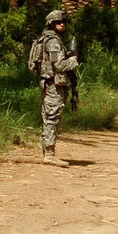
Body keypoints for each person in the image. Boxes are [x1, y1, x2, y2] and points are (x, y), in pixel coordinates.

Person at [31, 10, 79, 167]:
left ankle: (48, 152)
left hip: (50, 84)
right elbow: (58, 65)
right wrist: (73, 60)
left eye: (64, 21)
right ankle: (49, 154)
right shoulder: (52, 42)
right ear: (51, 23)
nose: (62, 24)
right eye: (59, 22)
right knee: (52, 117)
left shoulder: (48, 39)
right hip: (53, 85)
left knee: (49, 117)